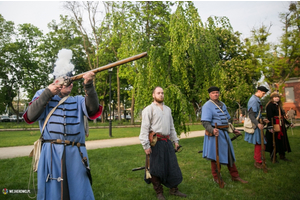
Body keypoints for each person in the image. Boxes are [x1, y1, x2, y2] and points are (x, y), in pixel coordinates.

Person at [23, 71, 102, 199]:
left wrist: (89, 85)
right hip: (51, 153)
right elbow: (31, 115)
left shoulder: (78, 100)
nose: (70, 84)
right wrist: (48, 92)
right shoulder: (44, 96)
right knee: (51, 192)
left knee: (80, 191)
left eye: (71, 81)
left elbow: (92, 109)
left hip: (76, 154)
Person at [139, 86, 186, 200]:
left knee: (172, 166)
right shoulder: (149, 109)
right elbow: (144, 129)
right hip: (155, 143)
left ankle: (174, 189)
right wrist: (146, 145)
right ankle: (159, 192)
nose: (161, 95)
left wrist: (175, 141)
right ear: (153, 95)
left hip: (167, 142)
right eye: (158, 93)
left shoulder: (168, 109)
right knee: (155, 169)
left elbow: (171, 127)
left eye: (162, 93)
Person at [201, 86, 248, 185]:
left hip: (224, 133)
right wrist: (212, 130)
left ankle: (235, 176)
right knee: (215, 157)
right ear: (210, 94)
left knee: (229, 154)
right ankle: (217, 177)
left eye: (217, 92)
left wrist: (234, 130)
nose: (215, 94)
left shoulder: (222, 104)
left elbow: (228, 120)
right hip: (215, 134)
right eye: (213, 93)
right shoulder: (207, 105)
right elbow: (205, 122)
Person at [244, 86, 269, 169]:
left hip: (258, 123)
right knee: (259, 144)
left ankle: (260, 161)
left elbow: (257, 114)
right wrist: (258, 124)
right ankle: (258, 162)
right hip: (255, 125)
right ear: (259, 91)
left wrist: (263, 120)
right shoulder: (253, 100)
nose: (263, 95)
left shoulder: (256, 99)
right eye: (263, 93)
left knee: (261, 144)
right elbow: (251, 115)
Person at [265, 92, 293, 162]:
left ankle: (282, 155)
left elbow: (282, 117)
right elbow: (269, 117)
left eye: (278, 97)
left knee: (282, 141)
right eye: (275, 97)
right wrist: (271, 127)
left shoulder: (279, 106)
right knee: (273, 141)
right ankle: (273, 156)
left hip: (281, 126)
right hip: (274, 125)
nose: (277, 98)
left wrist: (289, 123)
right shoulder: (269, 106)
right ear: (272, 98)